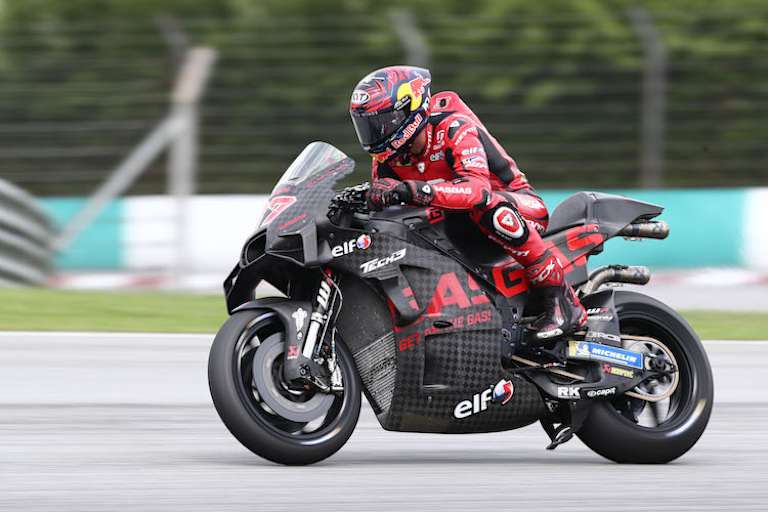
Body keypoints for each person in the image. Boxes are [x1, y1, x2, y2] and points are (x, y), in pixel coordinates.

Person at [349, 65, 586, 343]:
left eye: (384, 122)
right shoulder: (388, 159)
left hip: (519, 206)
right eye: (368, 126)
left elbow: (477, 191)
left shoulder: (453, 127)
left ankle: (562, 301)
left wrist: (411, 190)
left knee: (487, 207)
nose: (376, 133)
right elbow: (388, 207)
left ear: (410, 109)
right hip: (456, 220)